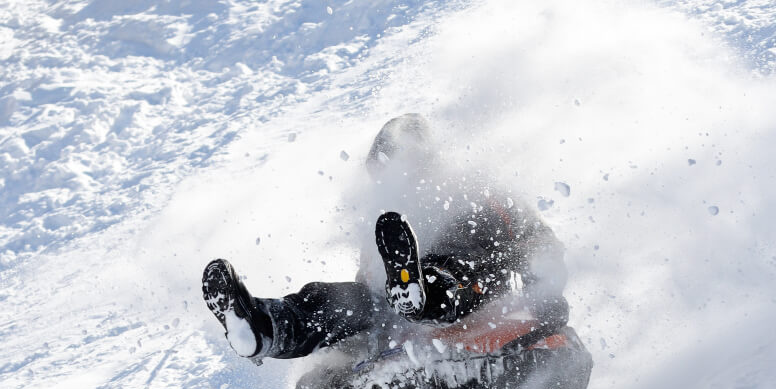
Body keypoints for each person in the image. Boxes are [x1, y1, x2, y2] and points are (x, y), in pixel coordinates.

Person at [201, 114, 570, 364]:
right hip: (399, 312)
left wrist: (547, 294)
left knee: (456, 263)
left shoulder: (479, 194)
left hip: (481, 293)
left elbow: (539, 245)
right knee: (343, 301)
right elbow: (370, 293)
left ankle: (422, 292)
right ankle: (266, 326)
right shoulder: (387, 224)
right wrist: (350, 355)